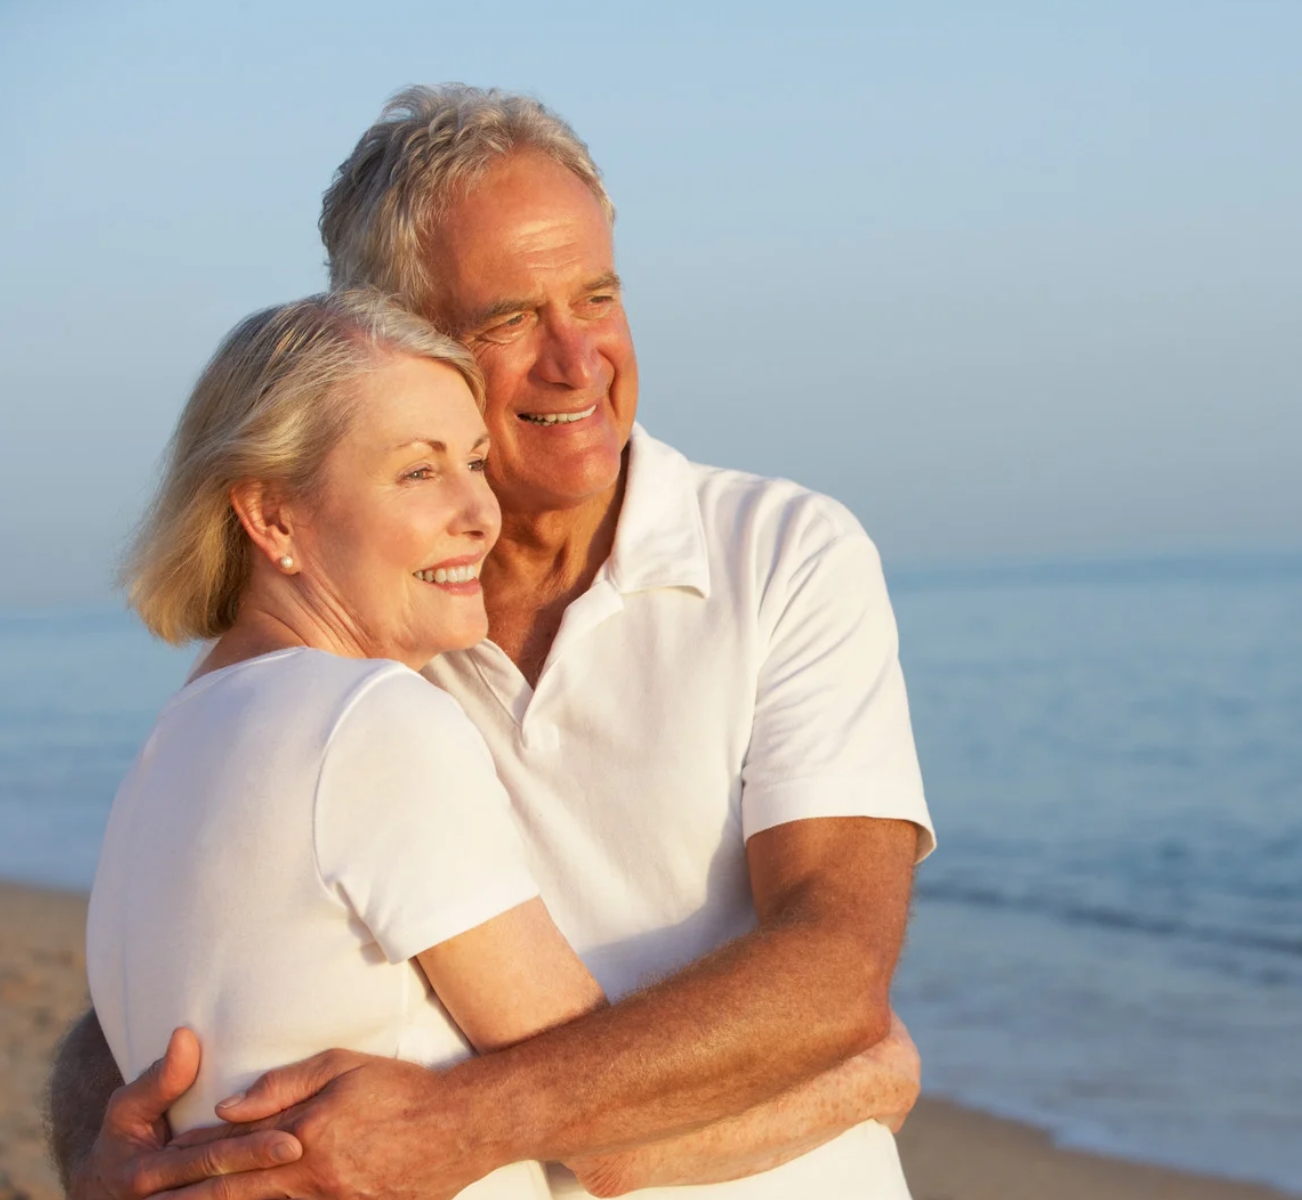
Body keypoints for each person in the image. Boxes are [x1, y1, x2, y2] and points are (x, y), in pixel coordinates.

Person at [50, 86, 935, 1200]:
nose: (577, 359)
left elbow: (832, 966)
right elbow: (216, 943)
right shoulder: (364, 668)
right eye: (508, 320)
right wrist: (103, 1150)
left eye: (597, 297)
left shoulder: (783, 551)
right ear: (392, 334)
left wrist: (455, 1126)